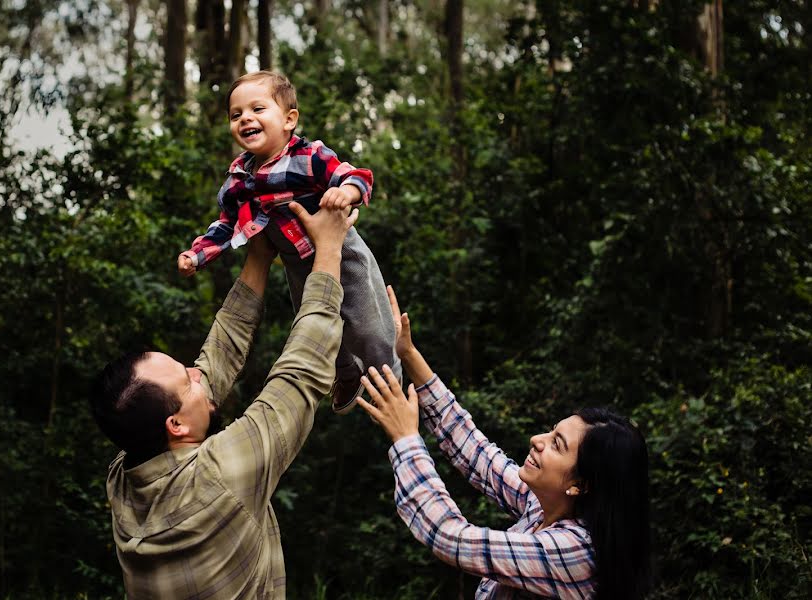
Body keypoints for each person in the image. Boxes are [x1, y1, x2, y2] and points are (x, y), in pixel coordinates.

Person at [89, 202, 357, 599]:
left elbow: (218, 355)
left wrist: (259, 255)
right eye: (187, 380)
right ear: (175, 425)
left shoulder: (125, 474)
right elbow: (301, 372)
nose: (198, 373)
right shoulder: (219, 476)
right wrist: (330, 245)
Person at [357, 287, 651, 599]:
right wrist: (409, 354)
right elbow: (477, 454)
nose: (537, 441)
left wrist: (406, 439)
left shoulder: (575, 551)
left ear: (580, 484)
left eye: (557, 444)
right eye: (551, 432)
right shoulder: (545, 507)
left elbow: (452, 539)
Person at [177, 70, 399, 413]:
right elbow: (225, 225)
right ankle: (347, 374)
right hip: (298, 265)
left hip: (344, 253)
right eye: (236, 115)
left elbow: (355, 176)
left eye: (257, 109)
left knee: (368, 325)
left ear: (289, 119)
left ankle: (391, 381)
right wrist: (197, 255)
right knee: (315, 326)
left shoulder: (309, 156)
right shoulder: (239, 180)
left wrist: (345, 192)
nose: (245, 118)